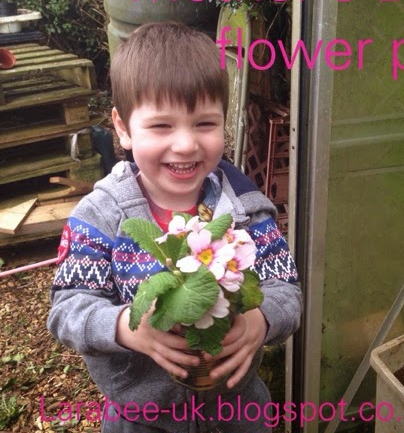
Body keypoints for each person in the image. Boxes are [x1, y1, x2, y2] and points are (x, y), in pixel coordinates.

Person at [47, 22, 302, 433]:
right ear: (123, 128)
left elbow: (286, 290)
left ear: (224, 123)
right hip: (139, 419)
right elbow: (67, 310)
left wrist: (262, 320)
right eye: (161, 126)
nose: (185, 144)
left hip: (238, 411)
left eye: (204, 124)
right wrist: (128, 328)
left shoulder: (245, 210)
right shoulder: (99, 218)